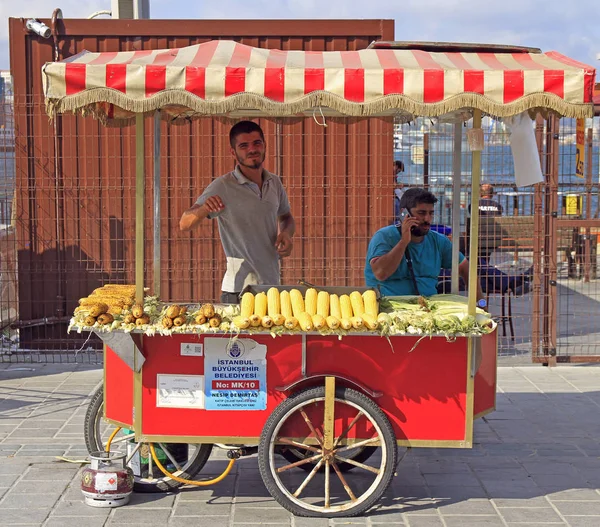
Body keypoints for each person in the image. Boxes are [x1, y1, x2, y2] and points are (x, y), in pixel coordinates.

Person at [179, 121, 296, 303]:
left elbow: (286, 217)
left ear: (264, 146)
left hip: (271, 286)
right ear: (233, 152)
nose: (252, 149)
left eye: (257, 143)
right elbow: (184, 224)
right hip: (238, 291)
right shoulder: (223, 186)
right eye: (244, 146)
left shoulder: (274, 182)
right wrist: (204, 209)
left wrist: (287, 234)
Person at [365, 188, 484, 301]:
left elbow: (465, 267)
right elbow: (380, 273)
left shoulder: (438, 241)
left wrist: (480, 304)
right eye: (421, 213)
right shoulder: (385, 237)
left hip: (427, 308)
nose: (427, 219)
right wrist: (403, 242)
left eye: (431, 213)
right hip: (389, 307)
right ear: (404, 213)